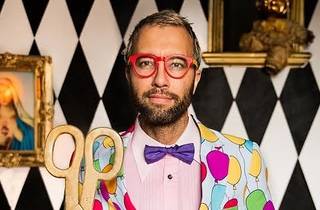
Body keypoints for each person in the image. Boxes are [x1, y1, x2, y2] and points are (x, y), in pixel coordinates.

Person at [90, 10, 274, 210]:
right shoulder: (93, 160)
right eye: (145, 63)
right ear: (128, 74)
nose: (160, 80)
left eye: (176, 64)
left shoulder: (245, 159)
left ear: (195, 78)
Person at [0, 78, 34, 150]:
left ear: (13, 93)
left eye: (6, 92)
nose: (3, 96)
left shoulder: (21, 118)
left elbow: (30, 140)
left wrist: (17, 132)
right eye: (0, 92)